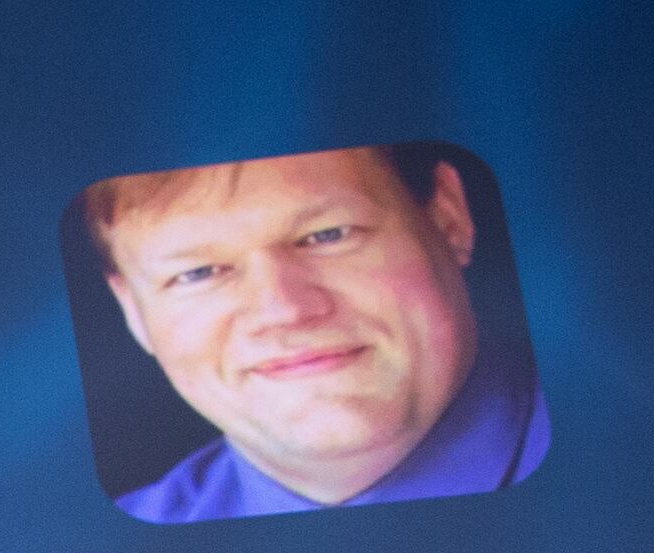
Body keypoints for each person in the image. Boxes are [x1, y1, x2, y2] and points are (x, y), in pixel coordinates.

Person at [85, 146, 551, 520]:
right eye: (198, 273)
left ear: (448, 221)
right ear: (134, 311)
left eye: (328, 235)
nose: (284, 311)